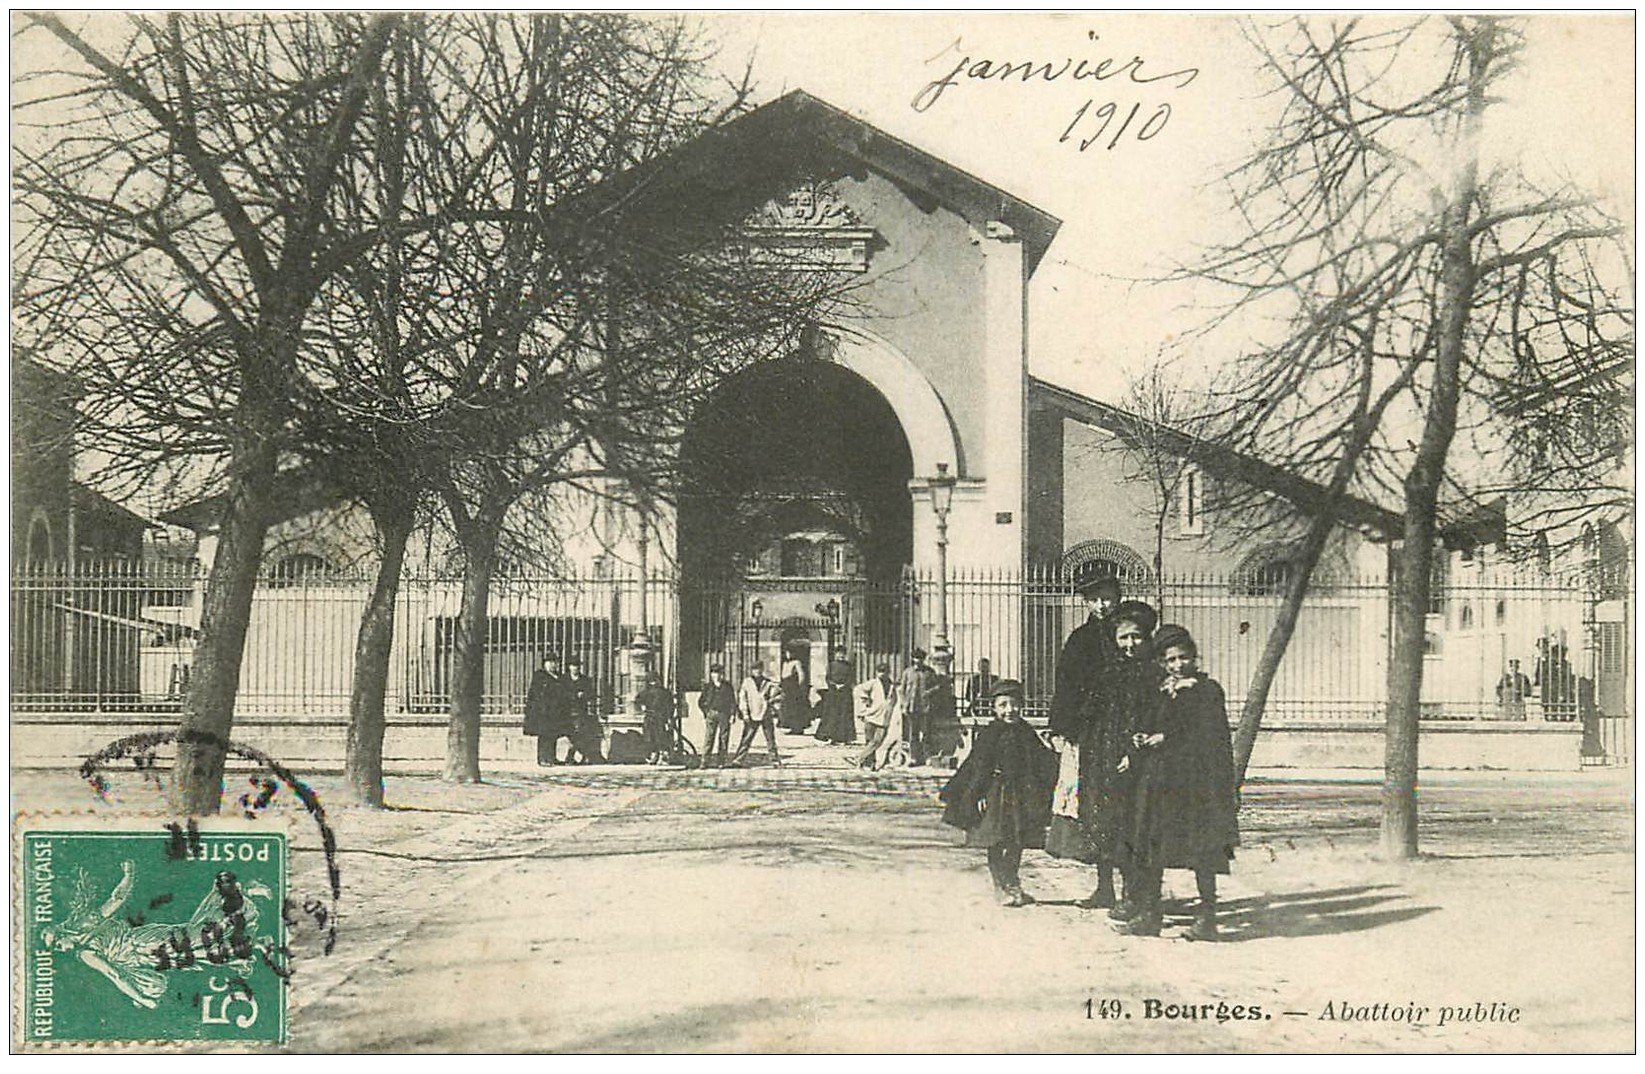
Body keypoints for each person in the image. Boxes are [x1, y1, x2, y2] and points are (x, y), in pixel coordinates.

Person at [1115, 624, 1240, 941]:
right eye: (1171, 660)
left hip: (1195, 783)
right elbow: (1145, 723)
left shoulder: (1207, 691)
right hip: (1159, 782)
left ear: (1195, 658)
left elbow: (1211, 737)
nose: (1178, 664)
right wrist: (1140, 738)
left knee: (1202, 852)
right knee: (1152, 846)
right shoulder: (1160, 691)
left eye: (1184, 657)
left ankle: (1207, 918)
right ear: (1162, 663)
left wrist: (1167, 738)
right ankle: (1150, 914)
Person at [939, 679, 1059, 907]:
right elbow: (978, 765)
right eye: (1003, 705)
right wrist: (977, 795)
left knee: (1017, 840)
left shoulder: (1025, 731)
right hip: (994, 793)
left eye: (1014, 704)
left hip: (1021, 795)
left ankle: (1013, 883)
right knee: (996, 841)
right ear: (994, 708)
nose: (1009, 710)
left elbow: (1041, 760)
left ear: (1021, 706)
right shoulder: (990, 733)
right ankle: (999, 886)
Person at [1043, 566, 1123, 900]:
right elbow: (1066, 684)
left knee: (1129, 809)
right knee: (1097, 807)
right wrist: (1063, 727)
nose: (1102, 606)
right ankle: (1104, 886)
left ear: (1117, 598)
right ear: (1086, 603)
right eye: (1094, 600)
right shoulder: (1080, 640)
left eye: (1107, 599)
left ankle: (1134, 889)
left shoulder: (1129, 634)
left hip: (1126, 731)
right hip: (1092, 735)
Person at [732, 662, 782, 766]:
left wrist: (772, 700)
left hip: (765, 714)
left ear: (762, 670)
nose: (757, 671)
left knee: (770, 739)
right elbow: (742, 699)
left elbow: (780, 694)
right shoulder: (747, 682)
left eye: (759, 669)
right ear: (752, 670)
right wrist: (745, 713)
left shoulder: (768, 682)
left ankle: (775, 760)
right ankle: (738, 759)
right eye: (755, 669)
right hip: (751, 714)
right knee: (746, 738)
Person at [523, 653, 566, 766]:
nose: (553, 665)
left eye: (555, 662)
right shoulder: (540, 676)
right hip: (543, 711)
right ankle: (543, 758)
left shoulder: (559, 677)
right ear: (545, 664)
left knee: (554, 734)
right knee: (544, 735)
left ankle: (552, 757)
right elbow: (536, 694)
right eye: (550, 662)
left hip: (556, 710)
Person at [561, 656, 605, 765]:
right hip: (566, 711)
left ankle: (573, 756)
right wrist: (573, 695)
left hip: (580, 711)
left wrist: (584, 695)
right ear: (569, 667)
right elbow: (560, 693)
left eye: (576, 666)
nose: (574, 668)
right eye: (572, 666)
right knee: (572, 735)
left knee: (580, 733)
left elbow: (591, 694)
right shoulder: (563, 679)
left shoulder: (585, 680)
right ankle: (575, 756)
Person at [923, 648, 963, 767]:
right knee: (927, 733)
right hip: (930, 709)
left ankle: (939, 756)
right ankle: (929, 756)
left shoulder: (947, 689)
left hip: (944, 711)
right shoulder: (930, 676)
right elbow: (924, 692)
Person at [854, 662, 897, 770]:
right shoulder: (873, 683)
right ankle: (869, 763)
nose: (882, 674)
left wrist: (890, 710)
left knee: (877, 741)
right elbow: (858, 690)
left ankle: (860, 758)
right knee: (870, 741)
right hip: (871, 715)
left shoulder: (892, 686)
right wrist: (866, 701)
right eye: (880, 671)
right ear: (876, 672)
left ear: (888, 672)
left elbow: (894, 700)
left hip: (884, 717)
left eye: (884, 671)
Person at [898, 647, 935, 765]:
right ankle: (913, 757)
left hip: (925, 707)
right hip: (911, 707)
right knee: (912, 734)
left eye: (920, 658)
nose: (917, 660)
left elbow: (937, 687)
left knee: (926, 733)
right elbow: (902, 690)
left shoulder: (929, 672)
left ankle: (927, 756)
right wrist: (904, 705)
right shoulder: (907, 672)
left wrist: (928, 693)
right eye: (915, 658)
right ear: (912, 659)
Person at [813, 647, 857, 744]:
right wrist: (834, 685)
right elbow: (828, 678)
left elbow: (852, 678)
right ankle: (829, 736)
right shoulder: (831, 665)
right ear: (835, 654)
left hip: (845, 692)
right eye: (838, 653)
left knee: (844, 714)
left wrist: (844, 685)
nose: (840, 655)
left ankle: (844, 737)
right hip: (833, 692)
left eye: (842, 654)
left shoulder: (849, 666)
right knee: (831, 714)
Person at [698, 664, 737, 768]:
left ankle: (721, 761)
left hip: (724, 714)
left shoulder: (727, 686)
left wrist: (733, 714)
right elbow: (701, 701)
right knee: (709, 738)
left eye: (719, 673)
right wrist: (706, 712)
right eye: (714, 673)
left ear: (722, 674)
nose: (717, 676)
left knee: (723, 738)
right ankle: (704, 762)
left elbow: (732, 701)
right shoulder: (708, 687)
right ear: (711, 674)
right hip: (712, 713)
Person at [637, 672, 675, 765]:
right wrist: (642, 706)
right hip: (650, 717)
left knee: (661, 737)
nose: (653, 683)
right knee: (651, 737)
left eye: (655, 681)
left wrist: (669, 717)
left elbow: (670, 705)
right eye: (651, 681)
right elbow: (639, 700)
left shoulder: (664, 692)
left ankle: (663, 755)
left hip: (660, 717)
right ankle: (654, 754)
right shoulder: (646, 692)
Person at [779, 646, 813, 734]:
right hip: (786, 686)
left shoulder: (797, 662)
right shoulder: (785, 663)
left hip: (794, 687)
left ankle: (798, 728)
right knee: (787, 707)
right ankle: (791, 726)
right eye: (787, 653)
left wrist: (800, 686)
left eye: (790, 653)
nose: (788, 654)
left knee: (796, 708)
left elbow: (801, 674)